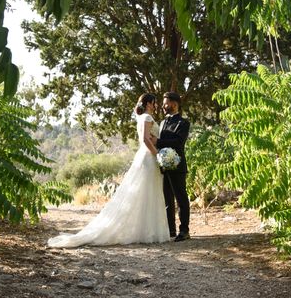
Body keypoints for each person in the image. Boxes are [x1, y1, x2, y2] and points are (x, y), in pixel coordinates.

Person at [47, 93, 169, 247]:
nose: (155, 105)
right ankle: (148, 231)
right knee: (146, 192)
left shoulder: (141, 118)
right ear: (149, 103)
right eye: (154, 102)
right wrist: (157, 154)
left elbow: (148, 138)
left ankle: (147, 231)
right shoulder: (146, 118)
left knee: (146, 193)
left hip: (145, 157)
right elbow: (145, 139)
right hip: (148, 157)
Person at [157, 91, 191, 242]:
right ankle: (170, 230)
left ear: (174, 104)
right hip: (164, 166)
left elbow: (178, 142)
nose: (163, 106)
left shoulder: (183, 123)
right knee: (167, 199)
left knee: (181, 199)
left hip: (178, 166)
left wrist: (157, 142)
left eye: (166, 103)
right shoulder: (163, 123)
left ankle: (184, 230)